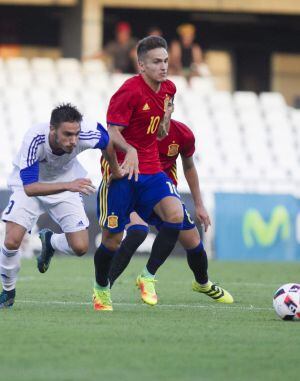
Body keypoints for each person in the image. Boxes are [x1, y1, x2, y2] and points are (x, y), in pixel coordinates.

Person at [0, 103, 137, 309]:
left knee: (81, 247)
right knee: (12, 240)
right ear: (52, 129)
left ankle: (51, 241)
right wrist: (69, 186)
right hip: (31, 186)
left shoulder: (86, 133)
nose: (73, 141)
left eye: (76, 134)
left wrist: (115, 170)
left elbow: (108, 142)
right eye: (67, 134)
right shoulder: (34, 139)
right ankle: (8, 291)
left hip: (66, 182)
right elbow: (29, 188)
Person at [93, 35, 185, 311]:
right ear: (141, 65)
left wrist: (166, 119)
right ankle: (100, 289)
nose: (164, 66)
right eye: (157, 62)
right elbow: (112, 133)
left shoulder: (169, 88)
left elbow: (159, 132)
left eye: (166, 60)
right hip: (122, 170)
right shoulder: (128, 91)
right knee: (113, 239)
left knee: (176, 216)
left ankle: (147, 276)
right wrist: (130, 150)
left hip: (152, 168)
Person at [108, 117, 234, 304]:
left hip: (162, 194)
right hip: (131, 188)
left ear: (171, 107)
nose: (162, 107)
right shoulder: (134, 130)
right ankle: (105, 287)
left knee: (193, 242)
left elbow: (189, 166)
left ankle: (202, 283)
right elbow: (110, 147)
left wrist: (199, 204)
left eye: (167, 104)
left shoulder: (182, 134)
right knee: (138, 231)